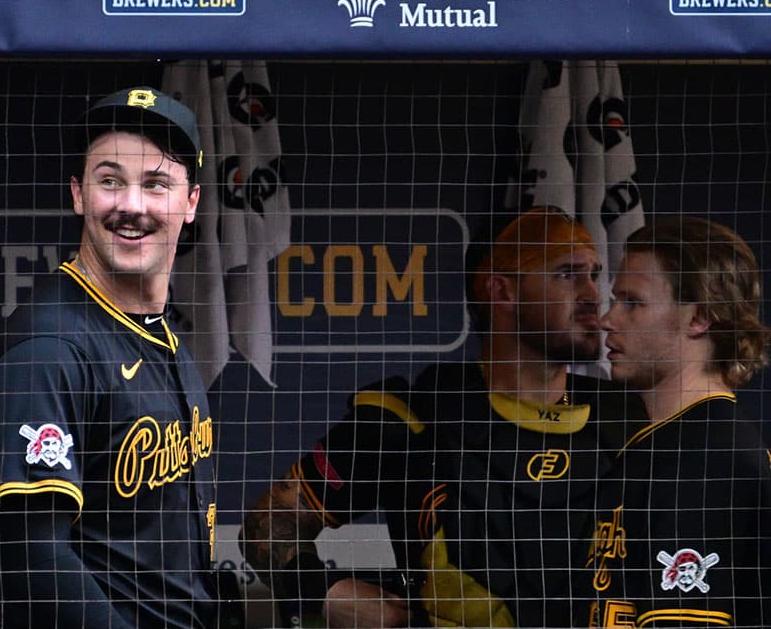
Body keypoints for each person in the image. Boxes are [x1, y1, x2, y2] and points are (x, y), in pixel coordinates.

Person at [240, 206, 645, 628]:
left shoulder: (633, 417)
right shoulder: (411, 416)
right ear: (501, 291)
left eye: (593, 275)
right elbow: (268, 521)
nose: (592, 295)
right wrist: (326, 591)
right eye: (567, 274)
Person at [0, 86, 217, 628]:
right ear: (78, 194)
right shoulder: (48, 347)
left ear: (191, 202)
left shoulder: (163, 334)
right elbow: (35, 564)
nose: (131, 205)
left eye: (156, 184)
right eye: (110, 181)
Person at [580, 216, 771, 628]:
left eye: (633, 303)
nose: (608, 319)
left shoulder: (703, 460)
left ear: (699, 317)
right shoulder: (672, 446)